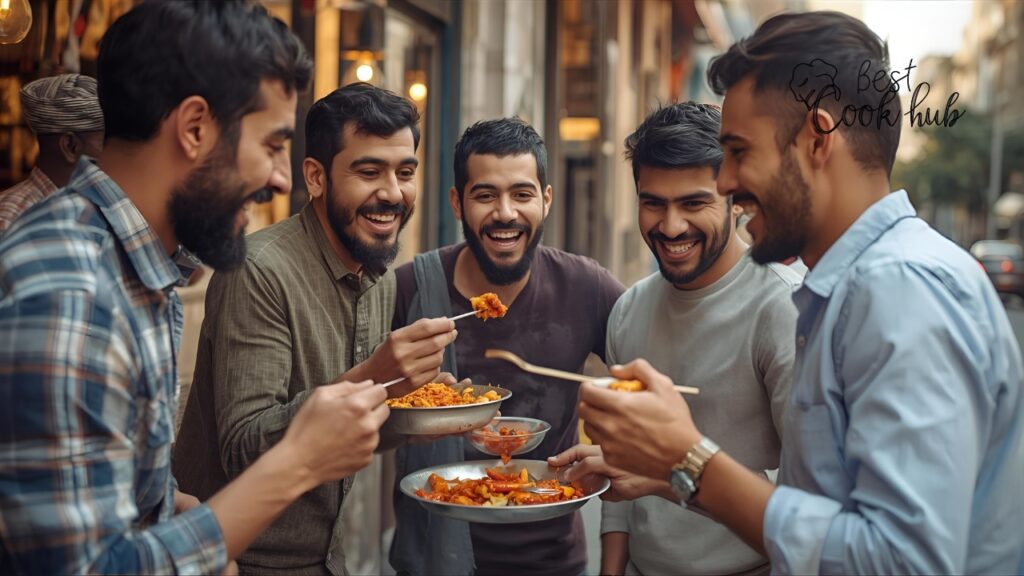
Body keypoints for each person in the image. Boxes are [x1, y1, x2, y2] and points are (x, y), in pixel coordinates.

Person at [566, 11, 1024, 575]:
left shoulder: (898, 290)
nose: (728, 184)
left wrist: (688, 459)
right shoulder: (845, 291)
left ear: (815, 139)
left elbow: (904, 561)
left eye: (738, 151)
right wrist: (673, 473)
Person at [0, 2, 392, 574]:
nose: (282, 178)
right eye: (273, 144)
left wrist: (174, 517)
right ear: (194, 129)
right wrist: (299, 463)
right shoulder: (74, 292)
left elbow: (119, 508)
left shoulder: (137, 269)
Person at [173, 83, 457, 576]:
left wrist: (418, 413)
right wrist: (377, 375)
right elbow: (243, 446)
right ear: (316, 177)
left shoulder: (379, 274)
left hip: (328, 558)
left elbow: (348, 426)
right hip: (235, 559)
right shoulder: (257, 269)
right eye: (369, 171)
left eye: (405, 172)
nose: (392, 192)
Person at [389, 117, 625, 576]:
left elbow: (648, 379)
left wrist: (614, 449)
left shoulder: (585, 286)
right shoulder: (409, 291)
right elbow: (361, 415)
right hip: (431, 557)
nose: (505, 213)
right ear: (458, 202)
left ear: (546, 200)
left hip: (553, 560)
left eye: (522, 194)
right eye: (485, 195)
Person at [589, 102, 801, 576]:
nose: (671, 227)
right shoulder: (628, 310)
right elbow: (620, 478)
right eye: (653, 203)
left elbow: (807, 498)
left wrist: (670, 473)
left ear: (734, 198)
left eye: (693, 203)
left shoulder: (784, 308)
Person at [0, 73, 104, 232]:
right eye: (105, 143)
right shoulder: (10, 218)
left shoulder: (99, 207)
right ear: (70, 146)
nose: (113, 154)